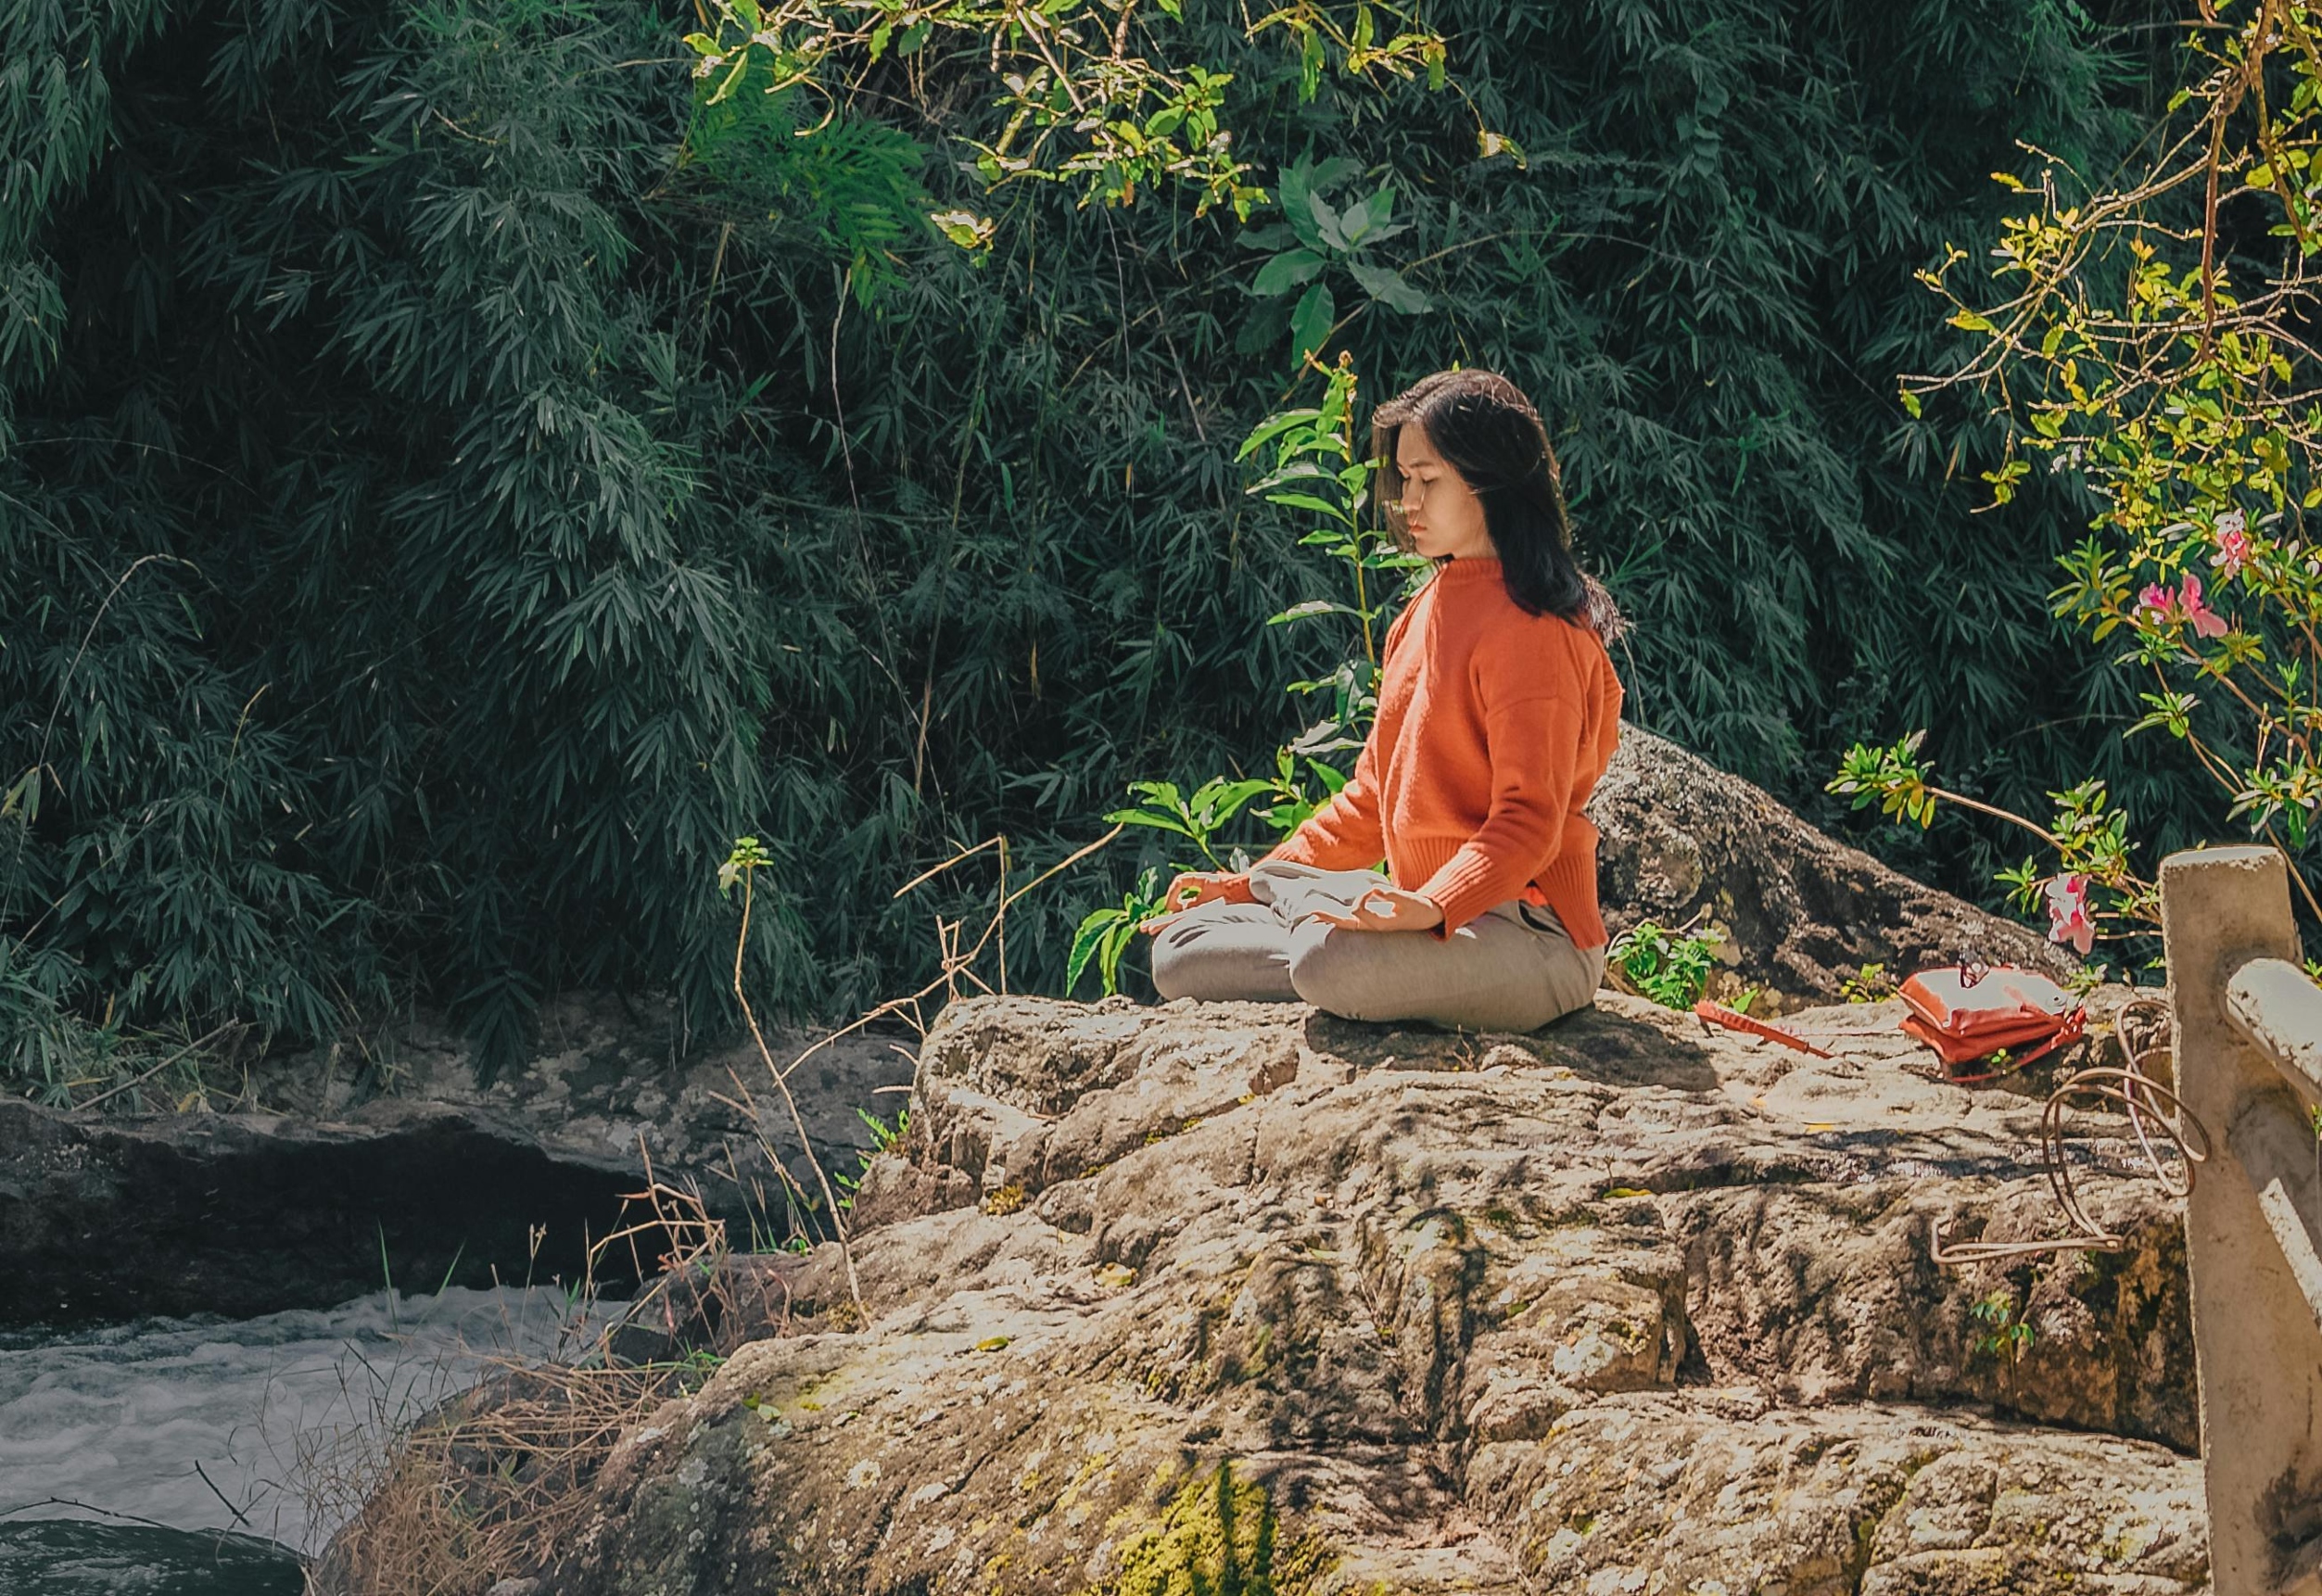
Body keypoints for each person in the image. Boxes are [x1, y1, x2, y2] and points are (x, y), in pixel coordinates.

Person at [1140, 368, 1625, 1032]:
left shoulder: (1533, 632)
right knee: (1180, 949)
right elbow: (1371, 799)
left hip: (1531, 936)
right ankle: (1331, 938)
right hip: (1415, 916)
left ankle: (1341, 949)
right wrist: (1251, 880)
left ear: (1489, 481)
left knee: (1326, 960)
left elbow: (1528, 822)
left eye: (1427, 480)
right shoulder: (1421, 612)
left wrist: (1431, 906)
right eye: (1402, 480)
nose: (1406, 501)